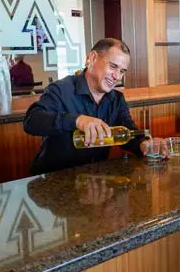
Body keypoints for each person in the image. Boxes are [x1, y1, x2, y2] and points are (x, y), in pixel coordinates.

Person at [23, 38, 167, 176]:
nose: (117, 77)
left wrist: (144, 144)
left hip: (94, 181)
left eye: (122, 71)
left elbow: (128, 132)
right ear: (92, 58)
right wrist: (77, 121)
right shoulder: (61, 89)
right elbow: (31, 121)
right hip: (52, 183)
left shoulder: (116, 99)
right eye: (113, 66)